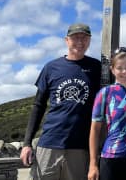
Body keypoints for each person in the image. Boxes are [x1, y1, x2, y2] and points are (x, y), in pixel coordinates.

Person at [20, 23, 101, 180]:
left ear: (90, 40)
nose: (80, 41)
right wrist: (26, 144)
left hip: (80, 147)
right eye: (75, 37)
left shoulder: (96, 68)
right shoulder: (51, 68)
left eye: (84, 38)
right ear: (66, 40)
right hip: (49, 143)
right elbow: (38, 106)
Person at [88, 47, 126, 180]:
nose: (124, 71)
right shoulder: (104, 93)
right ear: (112, 69)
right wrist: (93, 164)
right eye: (119, 68)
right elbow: (95, 130)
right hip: (111, 158)